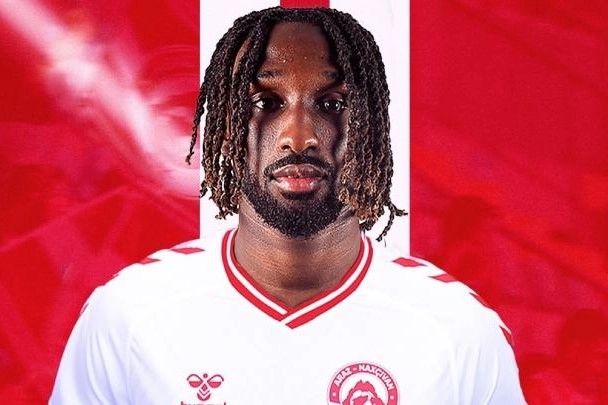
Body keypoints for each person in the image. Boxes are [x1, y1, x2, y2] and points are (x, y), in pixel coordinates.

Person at [50, 7, 525, 404]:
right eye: (266, 102)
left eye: (332, 104)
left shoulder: (457, 330)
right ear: (225, 128)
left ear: (373, 130)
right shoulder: (129, 315)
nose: (299, 137)